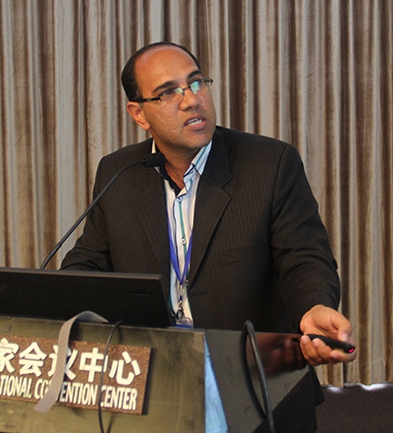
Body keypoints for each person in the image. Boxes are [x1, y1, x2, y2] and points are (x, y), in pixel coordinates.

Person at [60, 41, 354, 428]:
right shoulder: (119, 171)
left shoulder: (269, 164)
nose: (191, 100)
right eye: (168, 92)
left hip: (254, 378)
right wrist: (51, 301)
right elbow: (90, 260)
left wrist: (313, 307)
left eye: (196, 83)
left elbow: (304, 257)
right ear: (138, 113)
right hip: (154, 379)